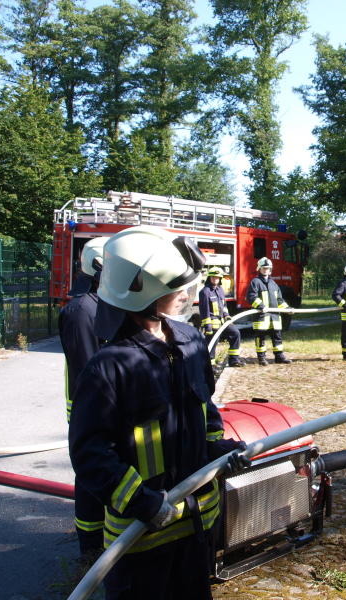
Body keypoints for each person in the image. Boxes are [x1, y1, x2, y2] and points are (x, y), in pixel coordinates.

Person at [68, 225, 249, 600]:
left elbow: (205, 409)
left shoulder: (189, 340)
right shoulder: (110, 366)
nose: (185, 294)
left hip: (199, 520)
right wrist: (141, 501)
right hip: (142, 535)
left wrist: (217, 450)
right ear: (141, 292)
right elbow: (90, 453)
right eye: (174, 287)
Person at [59, 236, 107, 556]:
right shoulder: (79, 311)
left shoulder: (102, 303)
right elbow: (89, 366)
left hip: (107, 406)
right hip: (91, 409)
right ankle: (90, 548)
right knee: (91, 475)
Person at [246, 257, 292, 366]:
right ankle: (261, 358)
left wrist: (287, 308)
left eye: (268, 268)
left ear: (270, 269)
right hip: (262, 316)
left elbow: (279, 299)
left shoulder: (273, 283)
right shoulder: (255, 282)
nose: (266, 270)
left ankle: (279, 356)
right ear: (260, 269)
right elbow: (251, 296)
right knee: (260, 337)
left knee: (277, 337)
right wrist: (261, 306)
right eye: (264, 268)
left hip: (274, 316)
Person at [199, 266, 245, 368]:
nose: (215, 279)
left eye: (217, 277)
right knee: (212, 344)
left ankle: (234, 360)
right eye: (213, 277)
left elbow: (224, 306)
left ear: (220, 279)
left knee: (235, 333)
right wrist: (208, 326)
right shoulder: (205, 292)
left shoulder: (220, 290)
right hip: (212, 324)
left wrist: (227, 316)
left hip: (222, 322)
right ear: (209, 278)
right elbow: (204, 310)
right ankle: (210, 367)